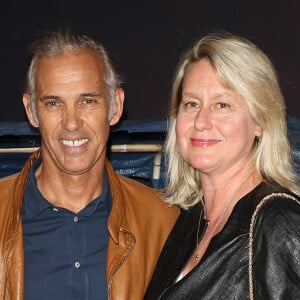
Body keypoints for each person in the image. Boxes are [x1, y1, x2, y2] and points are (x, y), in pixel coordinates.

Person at [0, 29, 179, 300]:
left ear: (115, 106)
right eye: (53, 103)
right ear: (31, 111)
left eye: (87, 101)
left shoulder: (161, 222)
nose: (71, 123)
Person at [144, 32, 300, 299]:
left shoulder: (278, 221)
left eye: (222, 105)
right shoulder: (189, 221)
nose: (201, 121)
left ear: (259, 121)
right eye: (191, 104)